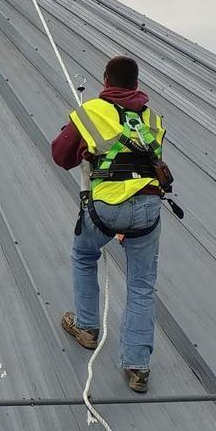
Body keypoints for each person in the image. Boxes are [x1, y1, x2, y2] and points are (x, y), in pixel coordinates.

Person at [50, 55, 170, 393]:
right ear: (136, 85)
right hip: (148, 207)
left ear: (105, 81)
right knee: (142, 284)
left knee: (85, 255)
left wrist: (87, 151)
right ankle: (137, 368)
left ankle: (87, 327)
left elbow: (61, 156)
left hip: (108, 209)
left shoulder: (92, 112)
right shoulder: (152, 119)